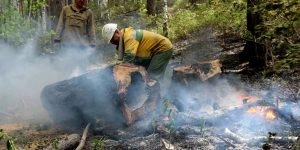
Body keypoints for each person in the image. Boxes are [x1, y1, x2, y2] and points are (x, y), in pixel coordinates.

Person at [102, 23, 173, 82]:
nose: (112, 42)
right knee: (139, 73)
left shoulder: (129, 36)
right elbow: (123, 60)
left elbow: (129, 56)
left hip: (162, 49)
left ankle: (155, 97)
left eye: (112, 39)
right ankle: (142, 91)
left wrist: (119, 68)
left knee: (152, 76)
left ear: (117, 32)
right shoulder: (122, 43)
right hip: (150, 54)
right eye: (110, 41)